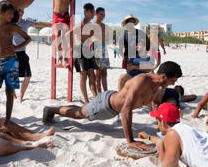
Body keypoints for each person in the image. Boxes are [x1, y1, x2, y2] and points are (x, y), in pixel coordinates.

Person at [43, 61, 183, 152]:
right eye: (172, 80)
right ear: (163, 76)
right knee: (79, 114)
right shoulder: (142, 80)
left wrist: (164, 125)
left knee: (82, 109)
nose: (172, 83)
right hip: (106, 106)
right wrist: (131, 141)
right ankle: (51, 109)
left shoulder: (157, 86)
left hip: (112, 101)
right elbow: (126, 109)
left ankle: (61, 107)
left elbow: (155, 106)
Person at [12, 8, 51, 103]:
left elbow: (39, 24)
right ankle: (13, 96)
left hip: (22, 52)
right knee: (12, 77)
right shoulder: (10, 23)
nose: (22, 12)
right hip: (12, 53)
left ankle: (21, 95)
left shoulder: (26, 22)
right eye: (20, 10)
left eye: (23, 11)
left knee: (28, 76)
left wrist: (52, 23)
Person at [68, 3, 98, 103]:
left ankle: (96, 98)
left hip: (87, 50)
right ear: (86, 12)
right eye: (92, 12)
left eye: (94, 12)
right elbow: (68, 35)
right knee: (83, 76)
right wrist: (72, 48)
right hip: (78, 50)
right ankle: (86, 101)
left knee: (92, 75)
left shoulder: (90, 25)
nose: (94, 14)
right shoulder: (81, 24)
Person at [43, 0, 71, 67]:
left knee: (65, 38)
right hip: (57, 16)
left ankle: (64, 59)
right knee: (58, 38)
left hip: (65, 16)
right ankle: (60, 58)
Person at [93, 7, 111, 93]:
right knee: (98, 74)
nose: (103, 16)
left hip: (104, 49)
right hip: (96, 49)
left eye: (104, 14)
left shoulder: (104, 26)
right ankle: (99, 94)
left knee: (105, 72)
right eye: (101, 14)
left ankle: (105, 92)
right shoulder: (92, 26)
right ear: (96, 14)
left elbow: (107, 40)